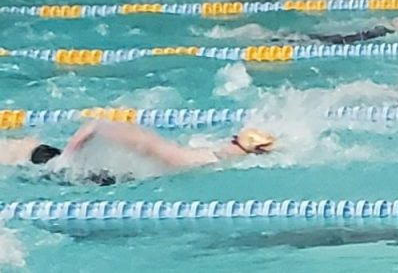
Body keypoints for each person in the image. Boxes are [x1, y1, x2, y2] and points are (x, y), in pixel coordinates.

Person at [1, 123, 275, 178]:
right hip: (58, 165)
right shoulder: (192, 160)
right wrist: (71, 154)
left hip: (72, 169)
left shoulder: (206, 156)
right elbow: (99, 126)